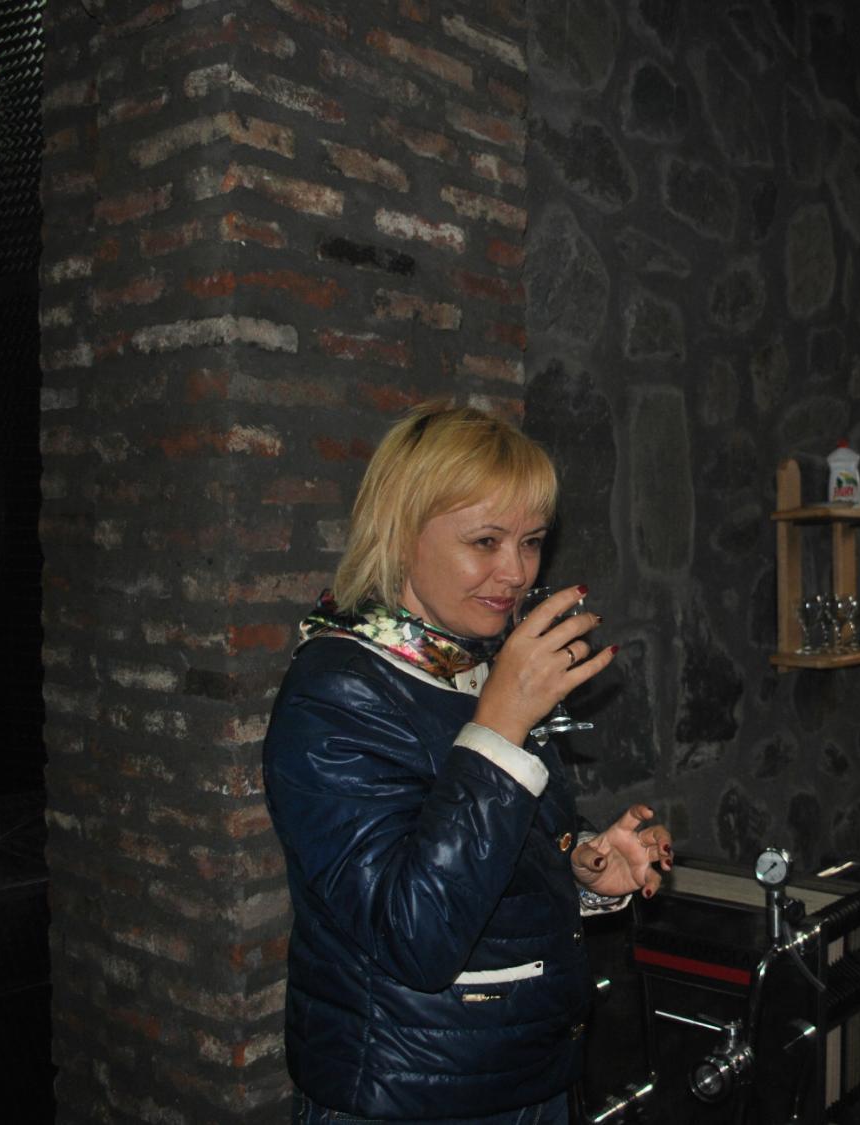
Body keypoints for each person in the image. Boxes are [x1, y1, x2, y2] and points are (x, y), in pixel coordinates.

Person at [263, 402, 673, 1125]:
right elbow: (412, 935)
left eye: (531, 541)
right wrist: (502, 726)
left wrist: (578, 865)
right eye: (485, 541)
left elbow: (478, 853)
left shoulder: (470, 663)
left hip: (519, 1075)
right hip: (411, 1095)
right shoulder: (335, 691)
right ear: (400, 534)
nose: (514, 572)